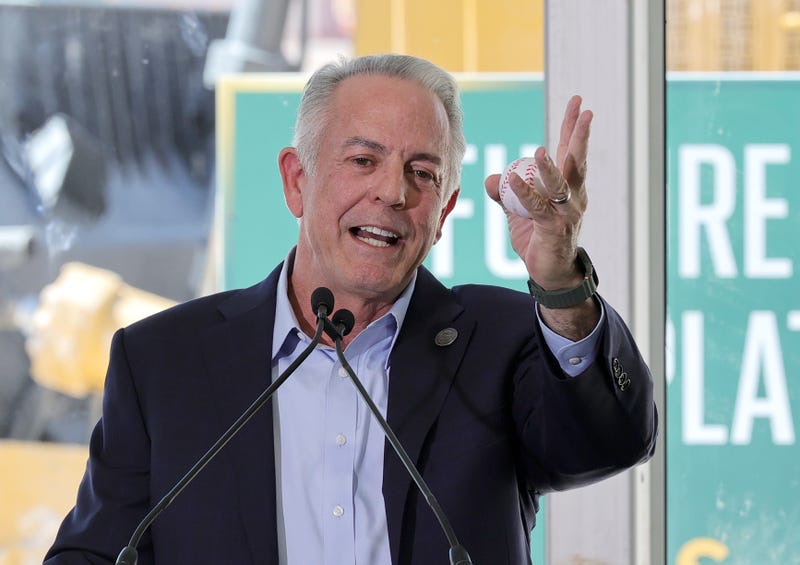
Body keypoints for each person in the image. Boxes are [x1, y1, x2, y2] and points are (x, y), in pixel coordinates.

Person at [45, 54, 657, 565]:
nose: (393, 192)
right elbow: (97, 554)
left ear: (443, 213)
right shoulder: (163, 362)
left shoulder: (500, 341)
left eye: (422, 173)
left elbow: (610, 441)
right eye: (363, 161)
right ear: (296, 181)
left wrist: (560, 282)